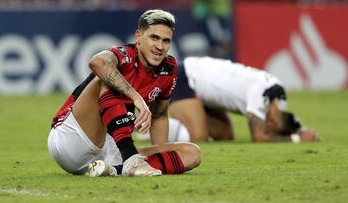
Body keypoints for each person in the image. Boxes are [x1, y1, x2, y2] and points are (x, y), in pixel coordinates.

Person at [47, 9, 201, 177]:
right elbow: (97, 62)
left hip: (110, 150)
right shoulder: (124, 55)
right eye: (154, 37)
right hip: (72, 139)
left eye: (166, 41)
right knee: (105, 80)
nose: (160, 46)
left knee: (191, 152)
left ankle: (113, 170)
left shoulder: (168, 69)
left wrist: (160, 152)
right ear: (138, 37)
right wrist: (137, 98)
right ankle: (131, 159)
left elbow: (159, 115)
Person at [168, 56, 320, 143]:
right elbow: (259, 137)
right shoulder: (261, 93)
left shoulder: (278, 100)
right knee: (198, 136)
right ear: (271, 121)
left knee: (225, 136)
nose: (267, 130)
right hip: (186, 77)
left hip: (204, 89)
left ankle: (171, 124)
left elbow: (287, 121)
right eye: (269, 128)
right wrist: (296, 138)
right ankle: (155, 125)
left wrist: (301, 130)